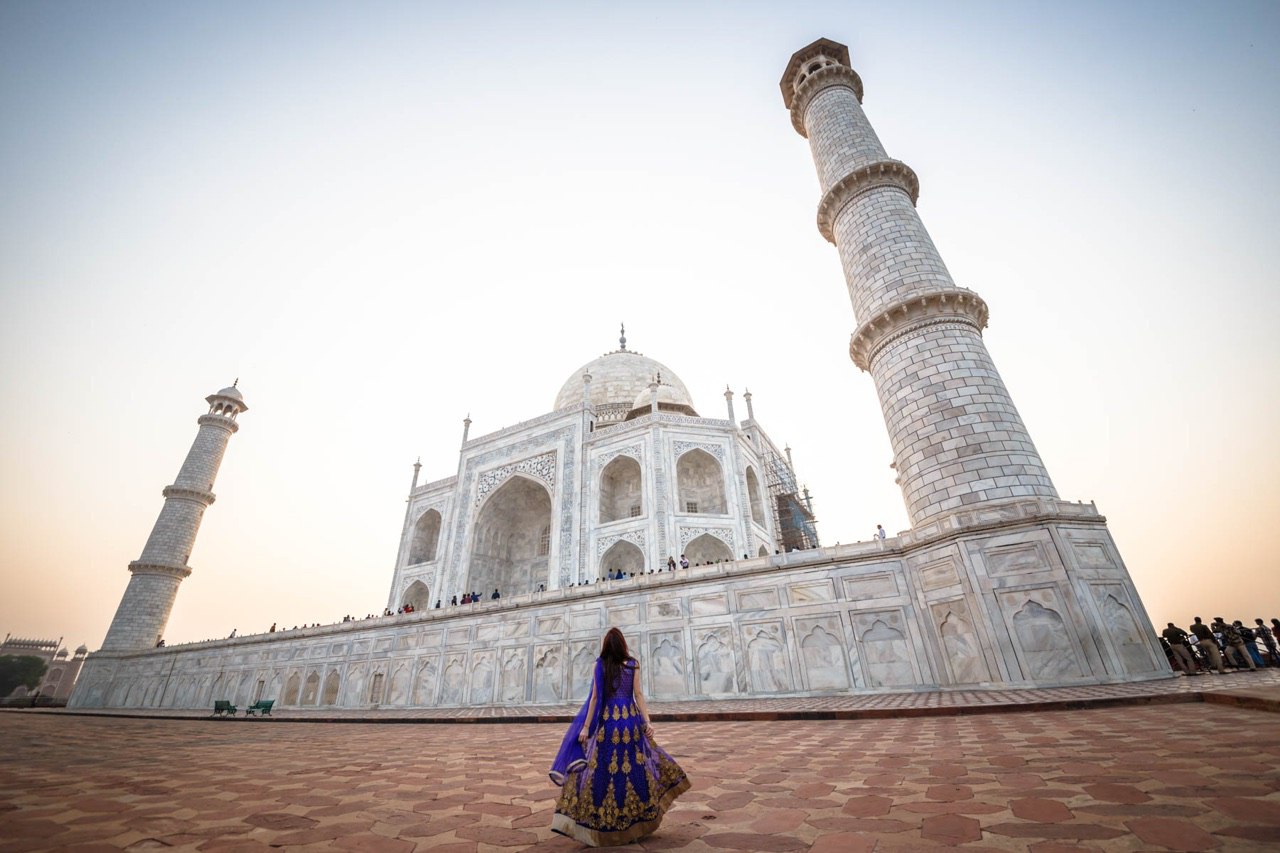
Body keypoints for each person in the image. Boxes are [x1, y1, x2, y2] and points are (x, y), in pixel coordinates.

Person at [549, 628, 689, 846]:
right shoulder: (632, 664)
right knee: (634, 768)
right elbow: (638, 695)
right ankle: (636, 821)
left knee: (604, 771)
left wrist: (585, 727)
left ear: (606, 645)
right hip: (630, 722)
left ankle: (603, 824)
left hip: (609, 723)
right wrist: (647, 721)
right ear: (623, 644)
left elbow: (595, 698)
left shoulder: (601, 665)